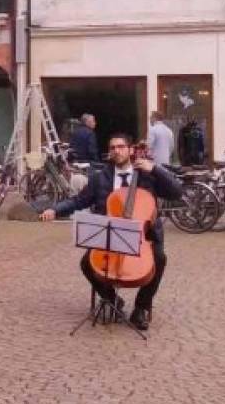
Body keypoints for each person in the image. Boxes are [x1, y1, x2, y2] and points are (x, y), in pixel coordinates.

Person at [39, 133, 182, 330]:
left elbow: (177, 192)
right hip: (110, 237)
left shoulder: (148, 176)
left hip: (144, 237)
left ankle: (140, 308)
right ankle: (113, 300)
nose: (116, 150)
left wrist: (155, 168)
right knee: (87, 263)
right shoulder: (100, 178)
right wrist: (55, 209)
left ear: (131, 150)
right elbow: (79, 201)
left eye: (121, 146)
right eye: (113, 147)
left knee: (159, 258)